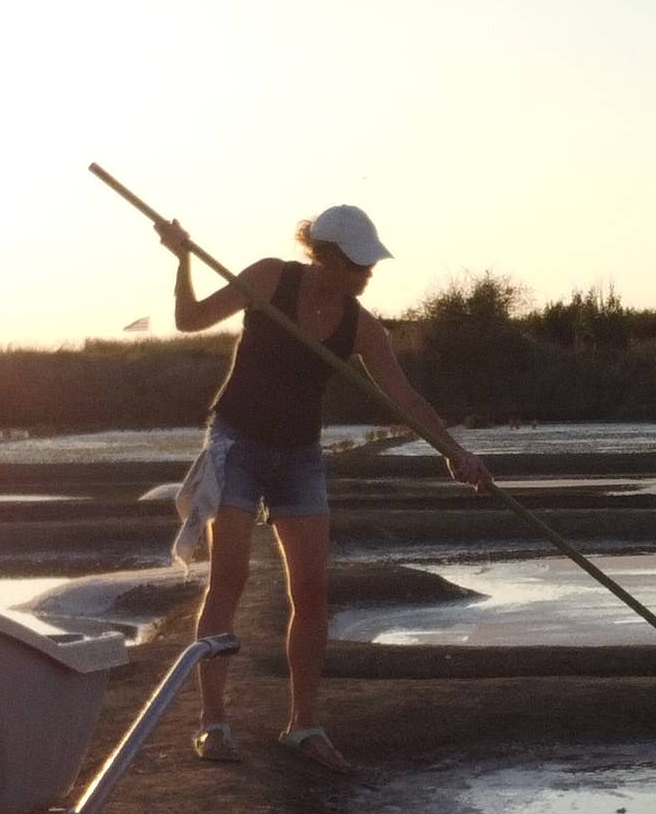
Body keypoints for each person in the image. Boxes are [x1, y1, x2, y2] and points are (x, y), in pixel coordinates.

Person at [157, 203, 494, 773]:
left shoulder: (361, 326)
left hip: (298, 456)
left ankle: (302, 725)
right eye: (357, 264)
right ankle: (213, 722)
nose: (367, 275)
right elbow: (190, 319)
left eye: (368, 266)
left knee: (313, 591)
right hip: (237, 444)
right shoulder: (270, 277)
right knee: (230, 576)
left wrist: (455, 453)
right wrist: (184, 258)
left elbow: (405, 398)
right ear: (324, 257)